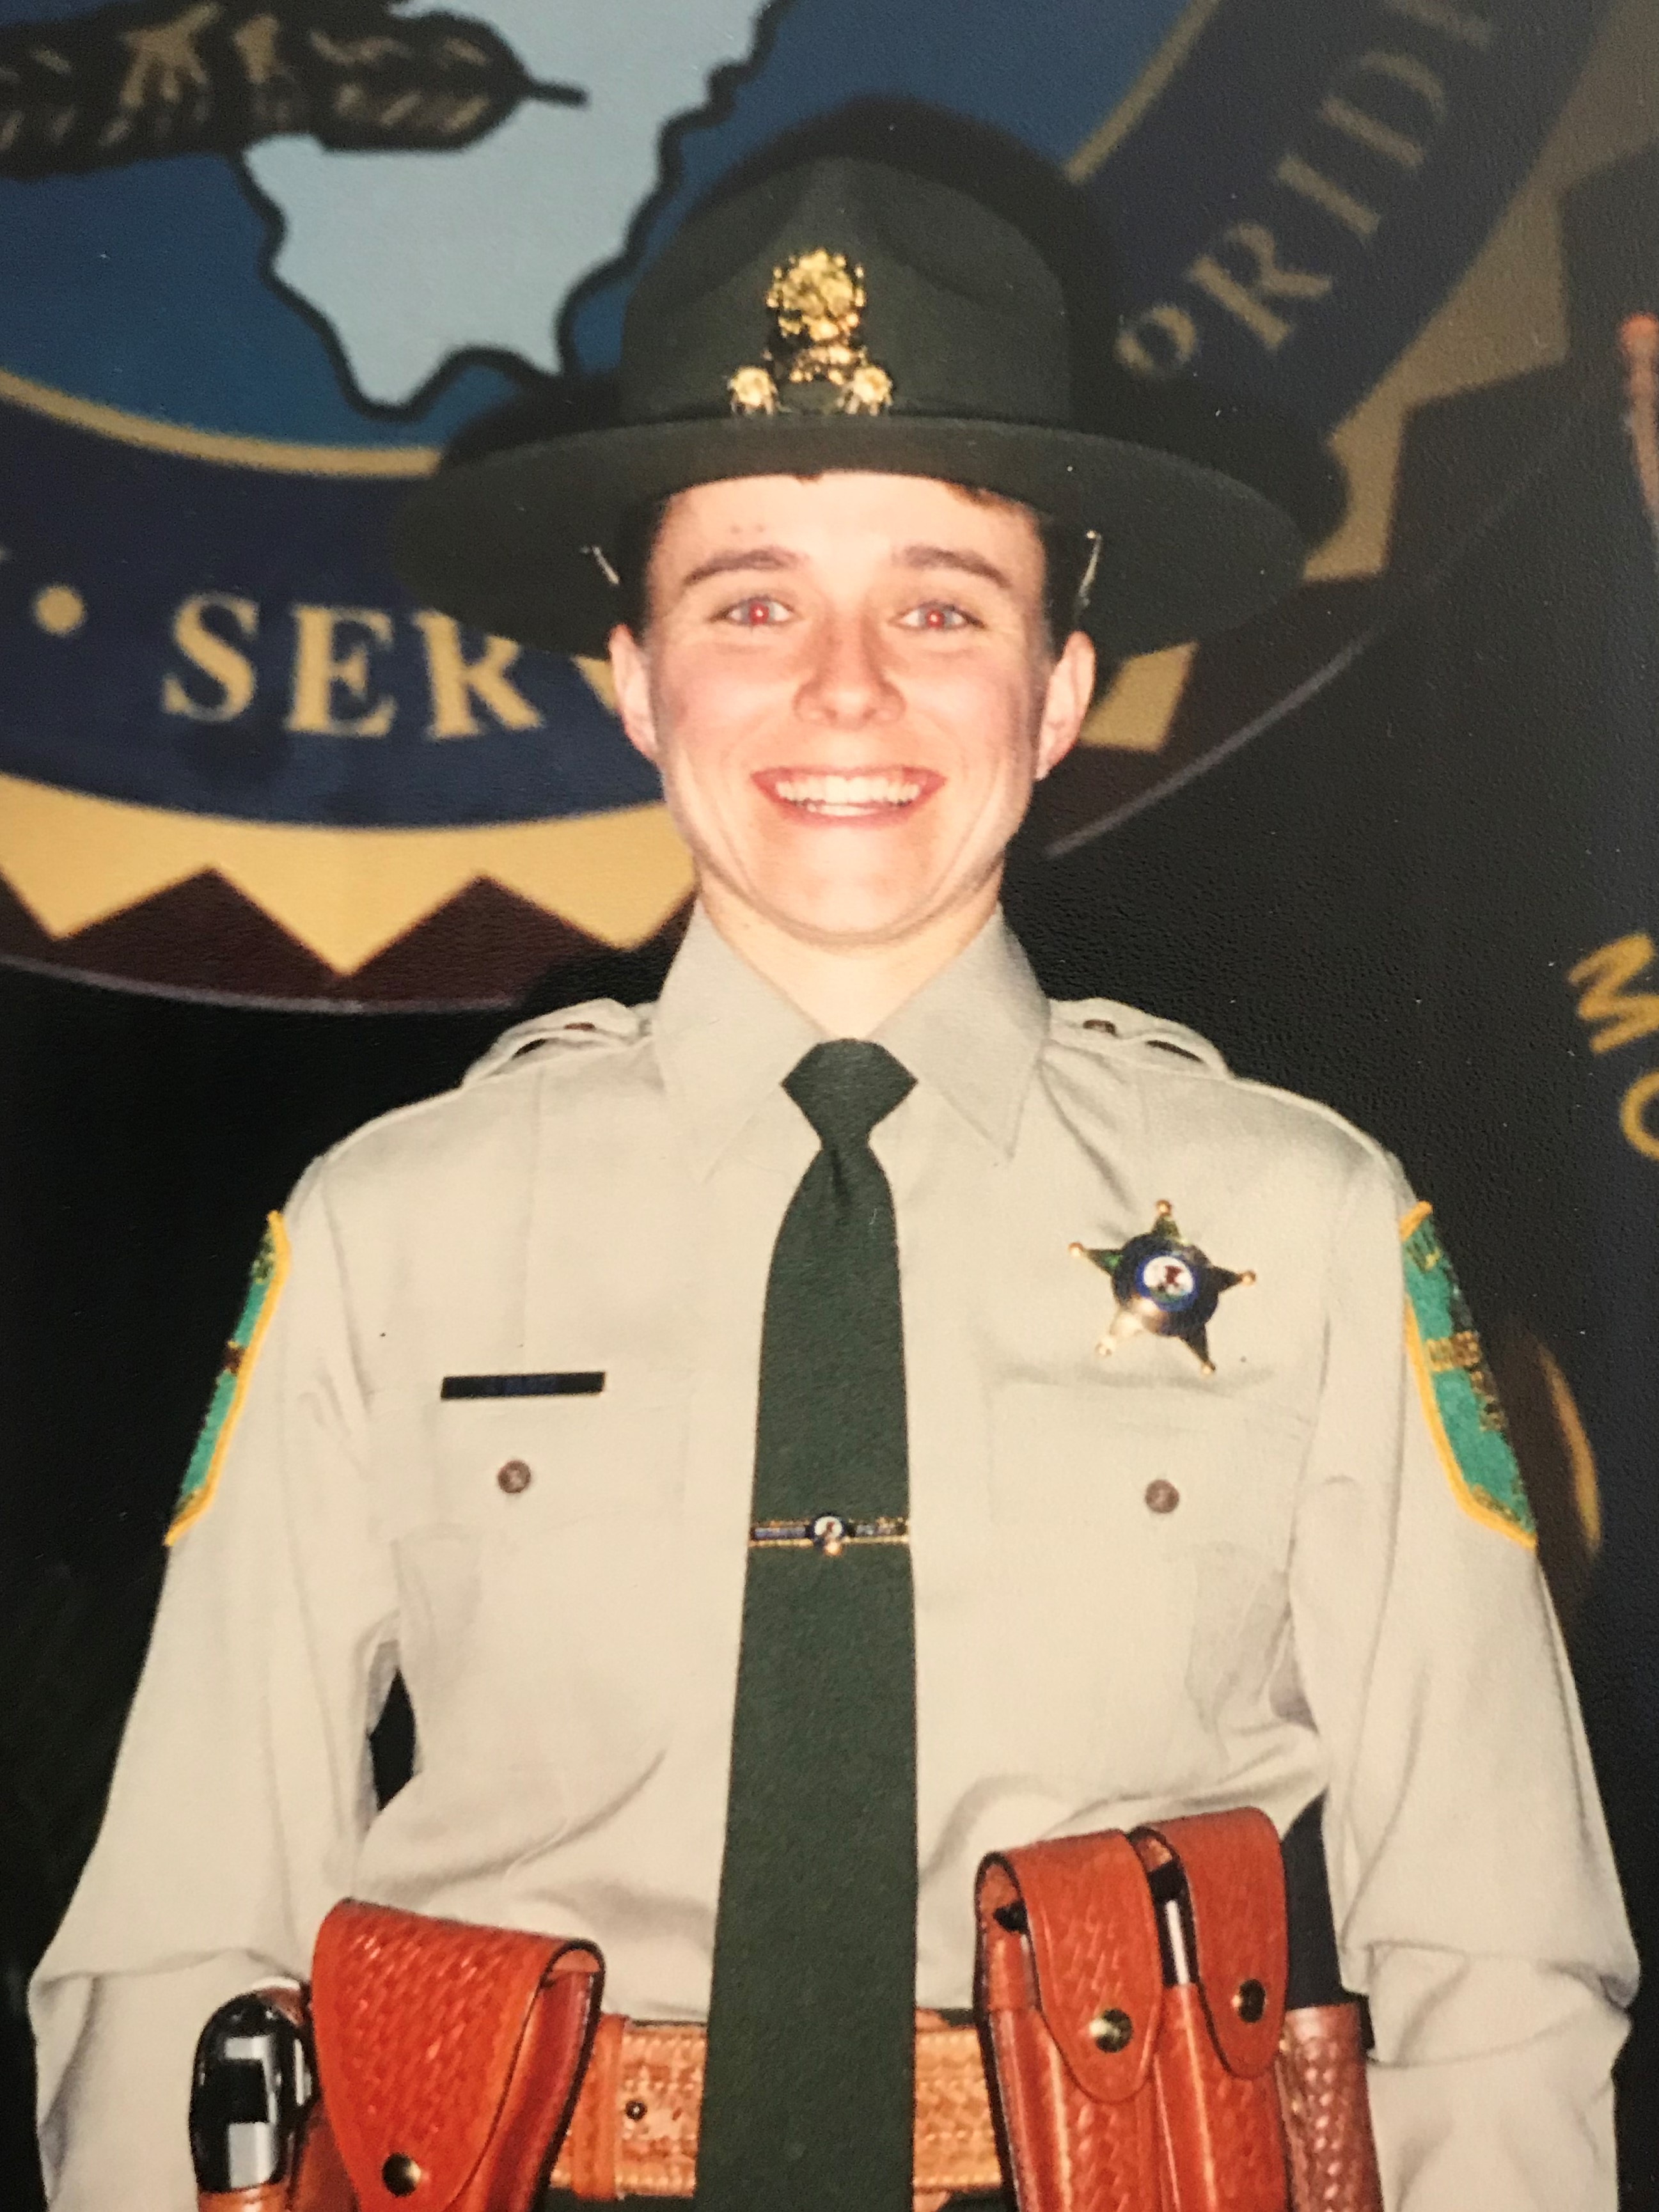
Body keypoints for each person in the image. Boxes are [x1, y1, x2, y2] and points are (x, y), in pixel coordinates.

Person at [30, 154, 1635, 2211]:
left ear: (1056, 690)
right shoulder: (392, 1233)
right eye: (752, 600)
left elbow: (1495, 1951)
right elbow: (181, 1930)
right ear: (637, 678)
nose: (847, 685)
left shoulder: (1301, 1223)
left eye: (940, 605)